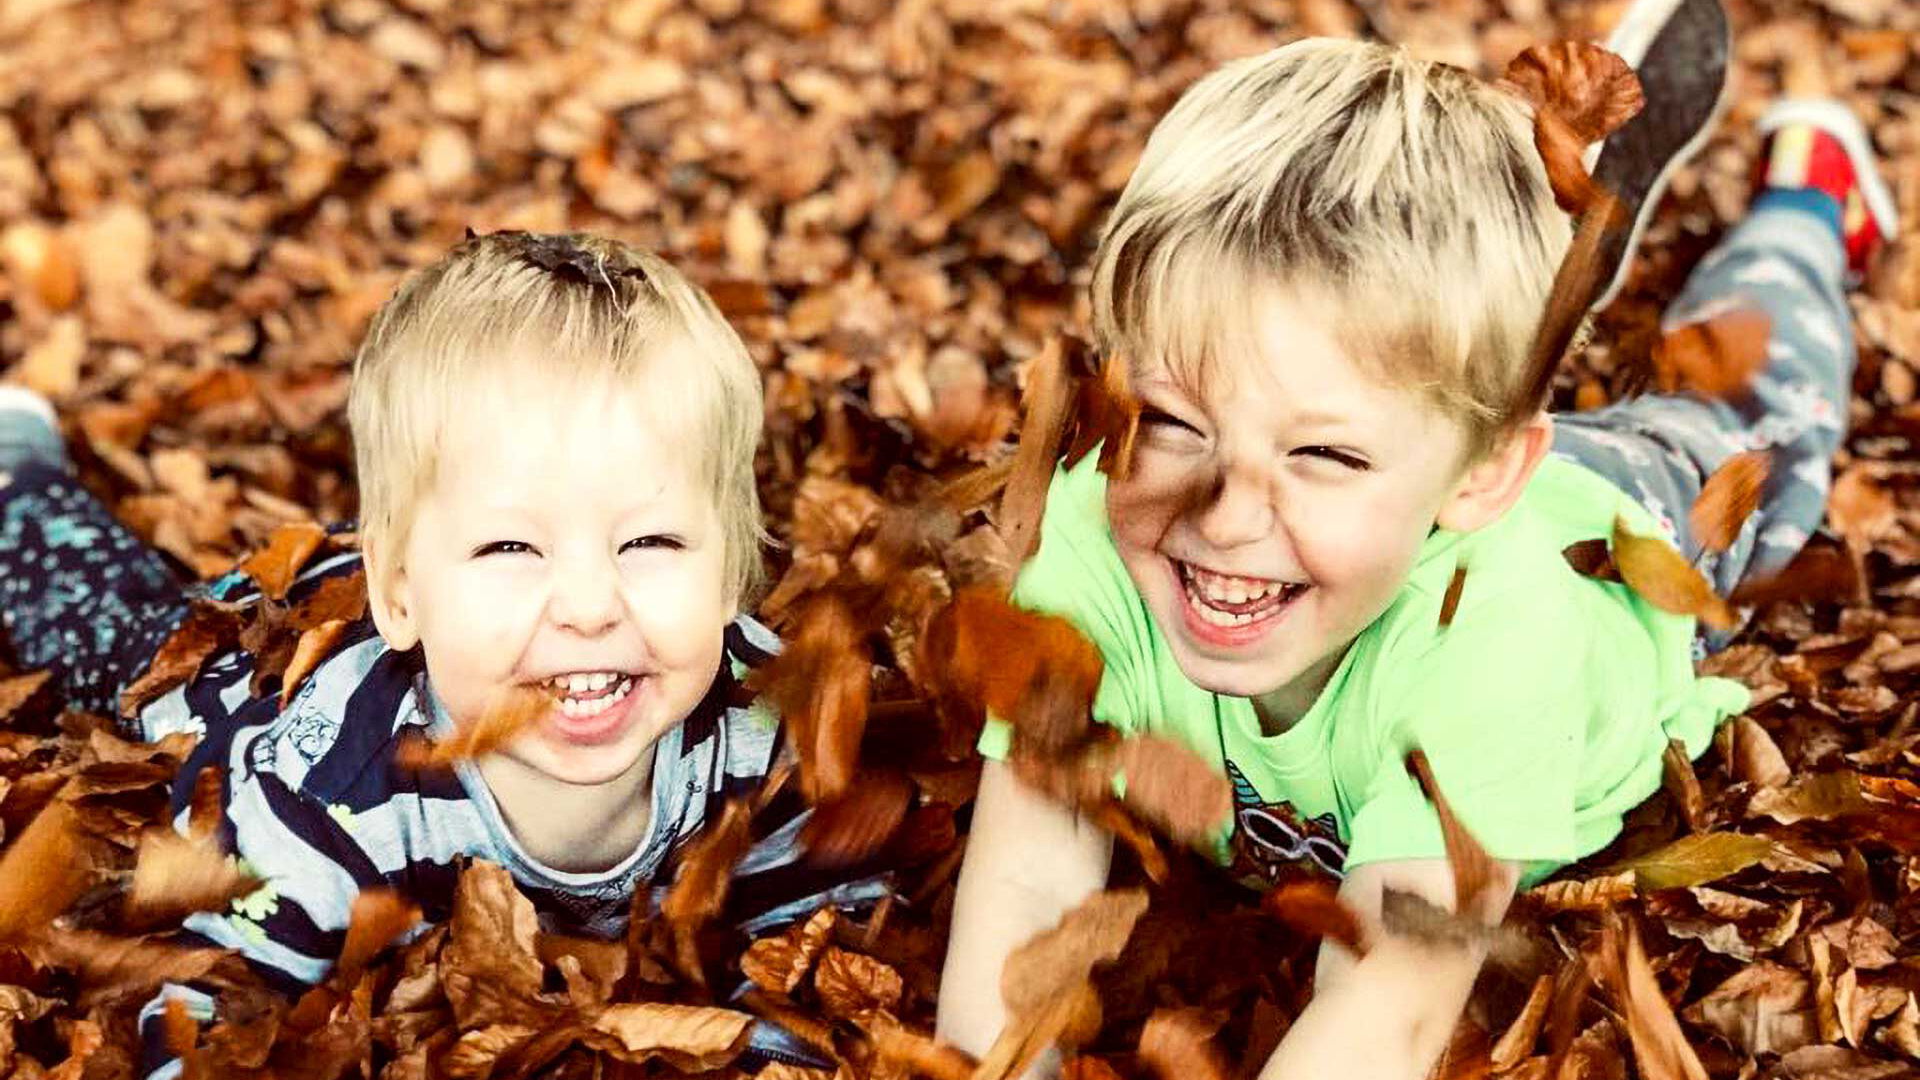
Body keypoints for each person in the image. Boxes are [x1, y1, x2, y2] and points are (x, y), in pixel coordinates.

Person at [933, 7, 1900, 1078]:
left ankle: (1808, 206)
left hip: (1620, 523)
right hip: (1419, 471)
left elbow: (1388, 999)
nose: (1224, 512)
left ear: (1485, 474)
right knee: (1421, 390)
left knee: (1756, 403)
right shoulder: (1094, 532)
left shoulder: (1495, 652)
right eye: (1173, 422)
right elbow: (1026, 881)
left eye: (1320, 456)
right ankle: (1528, 276)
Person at [0, 232, 871, 1076]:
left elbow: (815, 945)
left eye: (648, 540)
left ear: (731, 572)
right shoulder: (330, 800)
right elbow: (215, 1007)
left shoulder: (770, 734)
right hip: (245, 675)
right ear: (400, 594)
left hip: (437, 599)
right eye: (512, 549)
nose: (591, 605)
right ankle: (22, 474)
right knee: (101, 621)